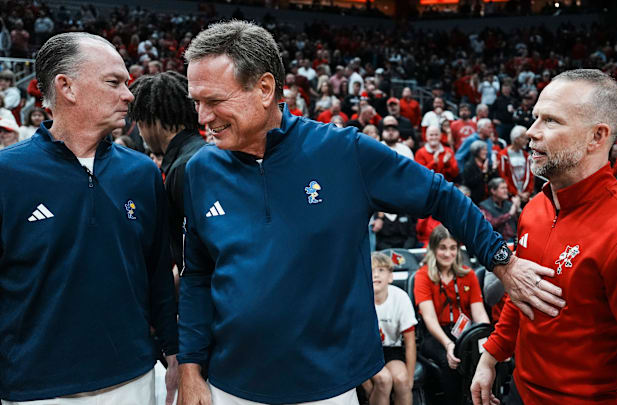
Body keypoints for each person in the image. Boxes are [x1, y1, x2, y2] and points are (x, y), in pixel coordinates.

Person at [179, 20, 563, 405]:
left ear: (264, 89)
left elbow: (441, 194)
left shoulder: (342, 152)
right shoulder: (200, 170)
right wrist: (190, 369)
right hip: (229, 386)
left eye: (213, 101)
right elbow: (198, 276)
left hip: (326, 388)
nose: (202, 117)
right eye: (196, 102)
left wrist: (502, 262)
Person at [472, 69, 617, 405]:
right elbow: (521, 293)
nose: (531, 133)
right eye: (535, 117)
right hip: (520, 394)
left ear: (596, 137)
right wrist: (491, 354)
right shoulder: (536, 208)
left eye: (551, 121)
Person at [0, 32, 178, 403]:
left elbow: (159, 279)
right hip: (35, 390)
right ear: (67, 87)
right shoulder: (7, 174)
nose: (129, 95)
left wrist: (175, 357)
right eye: (113, 82)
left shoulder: (143, 173)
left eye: (127, 84)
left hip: (135, 381)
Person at [128, 70, 207, 284]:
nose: (141, 134)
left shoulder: (185, 168)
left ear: (153, 121)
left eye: (140, 123)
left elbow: (197, 251)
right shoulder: (199, 154)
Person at [414, 225, 491, 405]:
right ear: (433, 249)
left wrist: (487, 339)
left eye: (452, 248)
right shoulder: (423, 276)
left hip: (464, 332)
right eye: (442, 248)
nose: (448, 254)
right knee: (452, 361)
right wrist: (448, 344)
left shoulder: (468, 274)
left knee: (483, 356)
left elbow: (479, 313)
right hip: (436, 335)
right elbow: (429, 318)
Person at [362, 252, 417, 405]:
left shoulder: (401, 297)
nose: (375, 275)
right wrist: (366, 385)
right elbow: (355, 346)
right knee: (384, 379)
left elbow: (410, 342)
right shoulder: (360, 300)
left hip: (392, 349)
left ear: (391, 277)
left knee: (401, 379)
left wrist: (410, 380)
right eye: (371, 271)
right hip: (366, 353)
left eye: (381, 270)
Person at [496, 125, 533, 202]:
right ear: (516, 139)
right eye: (525, 138)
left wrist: (527, 193)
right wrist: (516, 193)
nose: (527, 141)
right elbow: (503, 177)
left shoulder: (527, 156)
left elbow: (531, 176)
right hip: (510, 196)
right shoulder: (503, 155)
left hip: (525, 194)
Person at [478, 178, 520, 242]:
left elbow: (518, 223)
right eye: (502, 188)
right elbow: (490, 224)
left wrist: (518, 208)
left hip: (514, 240)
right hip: (496, 242)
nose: (506, 190)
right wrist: (510, 214)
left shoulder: (509, 204)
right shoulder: (484, 206)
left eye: (506, 188)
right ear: (493, 191)